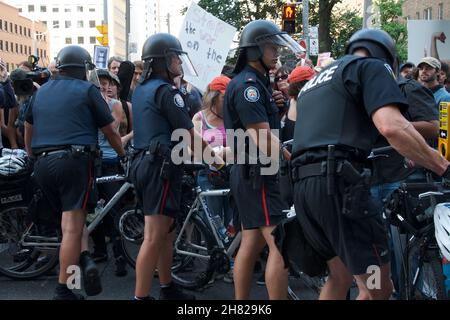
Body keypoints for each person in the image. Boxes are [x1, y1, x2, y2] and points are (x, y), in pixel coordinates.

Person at [290, 28, 450, 300]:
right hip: (341, 189)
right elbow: (392, 126)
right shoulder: (372, 67)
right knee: (377, 286)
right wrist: (442, 166)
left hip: (305, 190)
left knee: (339, 278)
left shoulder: (315, 82)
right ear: (386, 55)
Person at [24, 45, 126, 300]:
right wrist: (124, 155)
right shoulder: (87, 89)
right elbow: (110, 130)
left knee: (71, 224)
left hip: (43, 163)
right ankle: (65, 289)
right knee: (72, 226)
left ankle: (82, 262)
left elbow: (27, 124)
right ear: (83, 68)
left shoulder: (43, 91)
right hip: (74, 161)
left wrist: (31, 154)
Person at [130, 33, 223, 300]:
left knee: (167, 232)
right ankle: (140, 297)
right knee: (153, 235)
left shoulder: (141, 90)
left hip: (148, 163)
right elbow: (189, 135)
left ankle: (167, 287)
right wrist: (216, 161)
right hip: (161, 167)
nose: (179, 63)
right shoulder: (166, 92)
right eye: (174, 58)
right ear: (162, 61)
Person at [223, 20, 303, 300]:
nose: (277, 51)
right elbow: (262, 138)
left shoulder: (254, 83)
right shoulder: (249, 86)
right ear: (254, 49)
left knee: (251, 242)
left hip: (249, 172)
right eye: (271, 46)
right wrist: (291, 159)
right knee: (280, 246)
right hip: (259, 173)